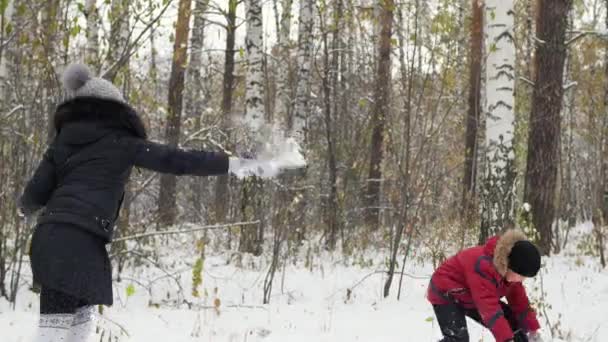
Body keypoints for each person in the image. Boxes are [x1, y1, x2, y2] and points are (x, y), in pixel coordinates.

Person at [18, 63, 275, 341]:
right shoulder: (122, 142)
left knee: (59, 332)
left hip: (52, 239)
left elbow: (32, 197)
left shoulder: (61, 144)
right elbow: (178, 160)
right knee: (69, 334)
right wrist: (235, 164)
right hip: (84, 243)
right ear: (117, 111)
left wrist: (24, 208)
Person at [427, 229, 544, 342]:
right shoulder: (483, 267)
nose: (522, 280)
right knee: (458, 339)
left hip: (471, 295)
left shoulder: (511, 273)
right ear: (510, 266)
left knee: (513, 322)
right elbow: (490, 310)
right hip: (446, 292)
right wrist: (506, 339)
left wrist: (532, 331)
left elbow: (520, 303)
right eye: (521, 275)